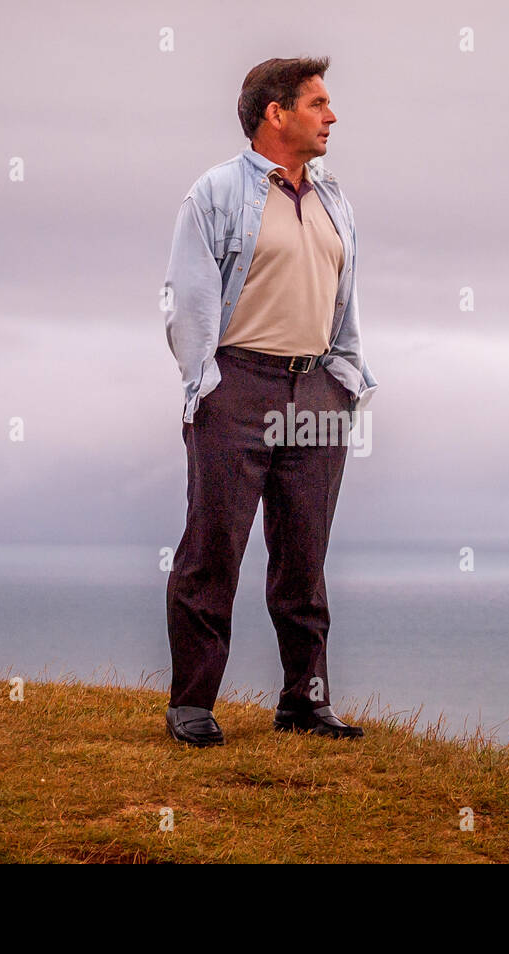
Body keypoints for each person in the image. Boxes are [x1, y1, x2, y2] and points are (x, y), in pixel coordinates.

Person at [160, 56, 377, 746]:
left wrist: (343, 377)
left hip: (315, 388)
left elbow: (344, 299)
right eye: (318, 104)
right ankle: (191, 706)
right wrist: (206, 384)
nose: (332, 116)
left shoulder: (333, 197)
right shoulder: (215, 193)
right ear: (274, 113)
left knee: (304, 557)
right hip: (238, 387)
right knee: (212, 551)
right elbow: (187, 301)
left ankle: (305, 705)